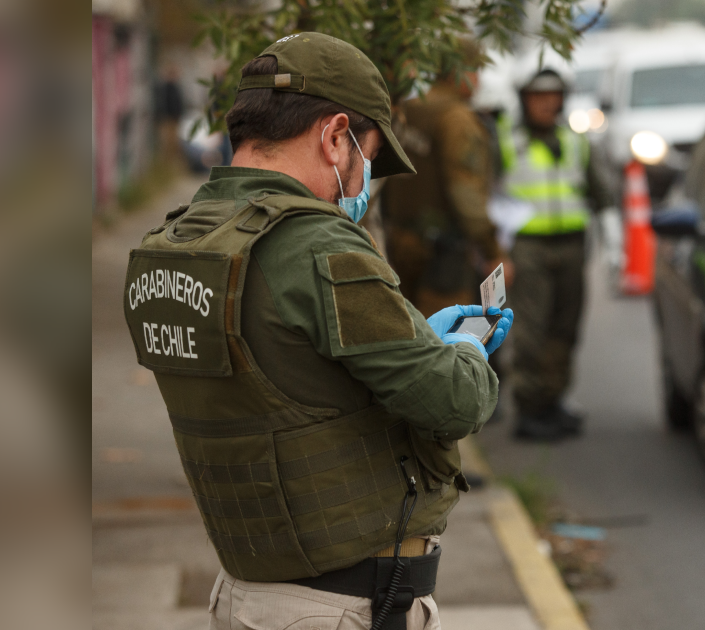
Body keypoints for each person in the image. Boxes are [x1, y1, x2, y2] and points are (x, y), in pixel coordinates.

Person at [121, 33, 512, 630]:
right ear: (335, 137)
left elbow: (291, 372)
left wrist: (411, 341)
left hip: (248, 592)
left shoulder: (177, 243)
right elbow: (457, 401)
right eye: (369, 158)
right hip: (340, 606)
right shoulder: (317, 246)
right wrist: (459, 353)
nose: (363, 185)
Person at [500, 69, 613, 441]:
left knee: (565, 328)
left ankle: (553, 398)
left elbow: (602, 192)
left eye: (555, 96)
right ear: (524, 100)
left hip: (571, 244)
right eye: (539, 96)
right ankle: (530, 407)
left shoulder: (575, 141)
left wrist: (614, 239)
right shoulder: (505, 140)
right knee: (531, 331)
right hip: (528, 247)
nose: (549, 103)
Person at [382, 39, 513, 317]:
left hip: (401, 243)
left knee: (407, 332)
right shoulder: (457, 119)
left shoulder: (410, 110)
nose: (478, 80)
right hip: (442, 254)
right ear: (459, 70)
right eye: (475, 70)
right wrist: (492, 251)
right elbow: (465, 193)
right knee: (445, 340)